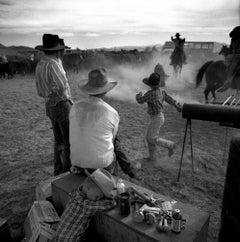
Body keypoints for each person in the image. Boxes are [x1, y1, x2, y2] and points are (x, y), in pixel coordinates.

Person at [70, 68, 137, 178]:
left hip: (77, 164)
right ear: (106, 90)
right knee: (113, 148)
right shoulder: (111, 112)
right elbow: (113, 139)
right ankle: (115, 178)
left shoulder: (74, 107)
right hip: (101, 167)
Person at [35, 34, 73, 176]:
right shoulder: (54, 64)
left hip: (49, 105)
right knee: (68, 141)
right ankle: (67, 171)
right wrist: (68, 101)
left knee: (58, 141)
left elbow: (40, 90)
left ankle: (58, 170)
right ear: (57, 51)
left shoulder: (40, 64)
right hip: (61, 104)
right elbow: (62, 86)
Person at [55, 168, 116, 241]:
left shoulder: (75, 193)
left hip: (59, 236)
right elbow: (110, 204)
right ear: (89, 188)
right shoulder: (86, 206)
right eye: (97, 196)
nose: (98, 199)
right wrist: (114, 198)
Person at [136, 72, 182, 162]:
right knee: (149, 137)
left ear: (150, 84)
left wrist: (139, 94)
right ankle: (152, 157)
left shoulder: (150, 94)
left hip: (156, 118)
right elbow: (170, 100)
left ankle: (170, 145)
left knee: (152, 138)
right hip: (159, 117)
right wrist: (176, 106)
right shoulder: (162, 91)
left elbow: (140, 100)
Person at [217, 26, 240, 92]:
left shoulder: (234, 39)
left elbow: (231, 47)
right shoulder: (235, 38)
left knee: (231, 69)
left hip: (236, 55)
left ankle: (227, 84)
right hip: (236, 55)